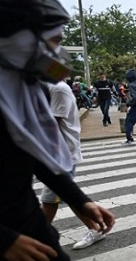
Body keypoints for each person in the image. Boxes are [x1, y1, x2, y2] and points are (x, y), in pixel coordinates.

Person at [0, 0, 116, 261]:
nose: (58, 53)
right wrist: (0, 241)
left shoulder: (24, 84)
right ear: (15, 40)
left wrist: (79, 200)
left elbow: (33, 150)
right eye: (54, 40)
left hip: (27, 225)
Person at [40, 78, 107, 250]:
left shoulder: (57, 88)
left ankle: (36, 235)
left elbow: (52, 124)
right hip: (56, 153)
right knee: (60, 196)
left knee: (54, 198)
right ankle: (36, 235)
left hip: (62, 153)